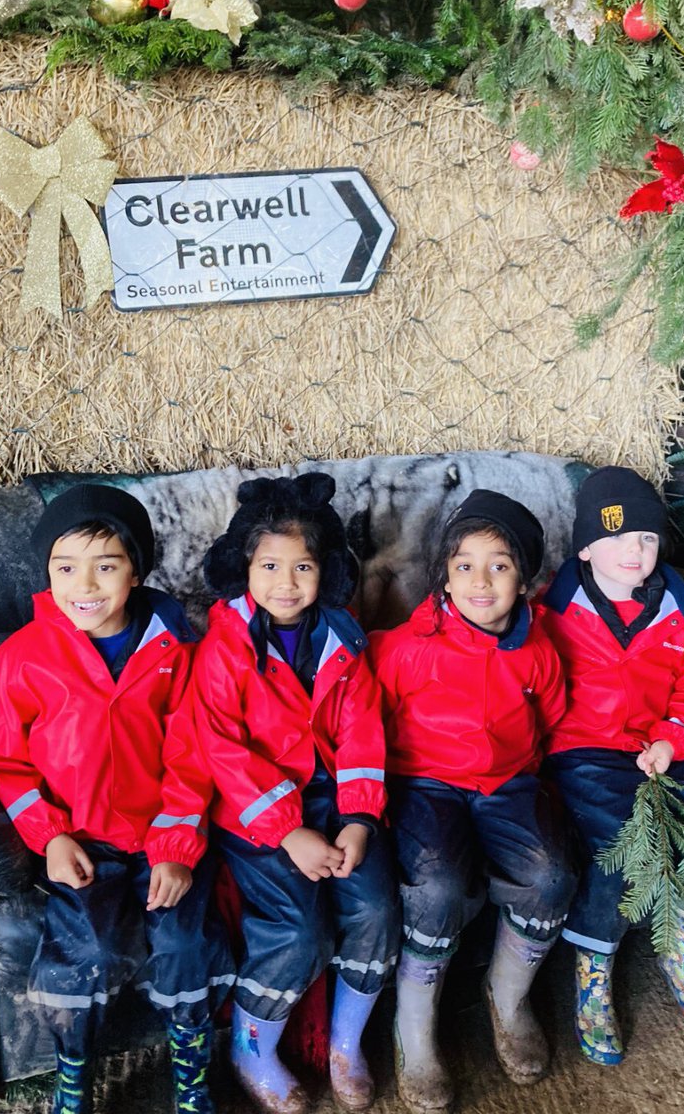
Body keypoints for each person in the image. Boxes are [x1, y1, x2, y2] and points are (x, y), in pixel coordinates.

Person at [0, 483, 232, 1114]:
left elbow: (192, 756)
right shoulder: (24, 658)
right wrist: (52, 838)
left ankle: (191, 1077)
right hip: (81, 843)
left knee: (187, 947)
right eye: (66, 568)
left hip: (162, 840)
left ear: (136, 572)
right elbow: (0, 759)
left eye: (106, 566)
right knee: (85, 953)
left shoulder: (174, 652)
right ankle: (72, 1075)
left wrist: (173, 850)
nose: (84, 585)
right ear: (48, 574)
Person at [192, 472, 399, 1114]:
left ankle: (345, 1044)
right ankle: (252, 1047)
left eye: (303, 566)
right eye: (270, 565)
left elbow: (363, 732)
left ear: (327, 571)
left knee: (376, 909)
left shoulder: (344, 641)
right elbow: (221, 748)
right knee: (297, 932)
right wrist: (288, 830)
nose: (287, 583)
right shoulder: (224, 648)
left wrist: (359, 820)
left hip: (335, 802)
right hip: (260, 814)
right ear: (243, 569)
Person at [369, 489, 576, 1114]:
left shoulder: (537, 649)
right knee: (437, 888)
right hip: (425, 783)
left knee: (553, 874)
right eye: (464, 566)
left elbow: (552, 717)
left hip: (508, 783)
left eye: (500, 566)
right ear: (444, 575)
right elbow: (369, 722)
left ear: (525, 577)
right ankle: (415, 1026)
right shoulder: (408, 648)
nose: (480, 582)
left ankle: (507, 996)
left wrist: (527, 784)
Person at [539, 465, 684, 1066]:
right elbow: (533, 685)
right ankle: (593, 973)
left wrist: (672, 742)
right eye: (619, 536)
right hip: (586, 752)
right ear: (585, 547)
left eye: (648, 538)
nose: (635, 549)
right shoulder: (553, 611)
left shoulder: (681, 615)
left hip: (661, 753)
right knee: (624, 849)